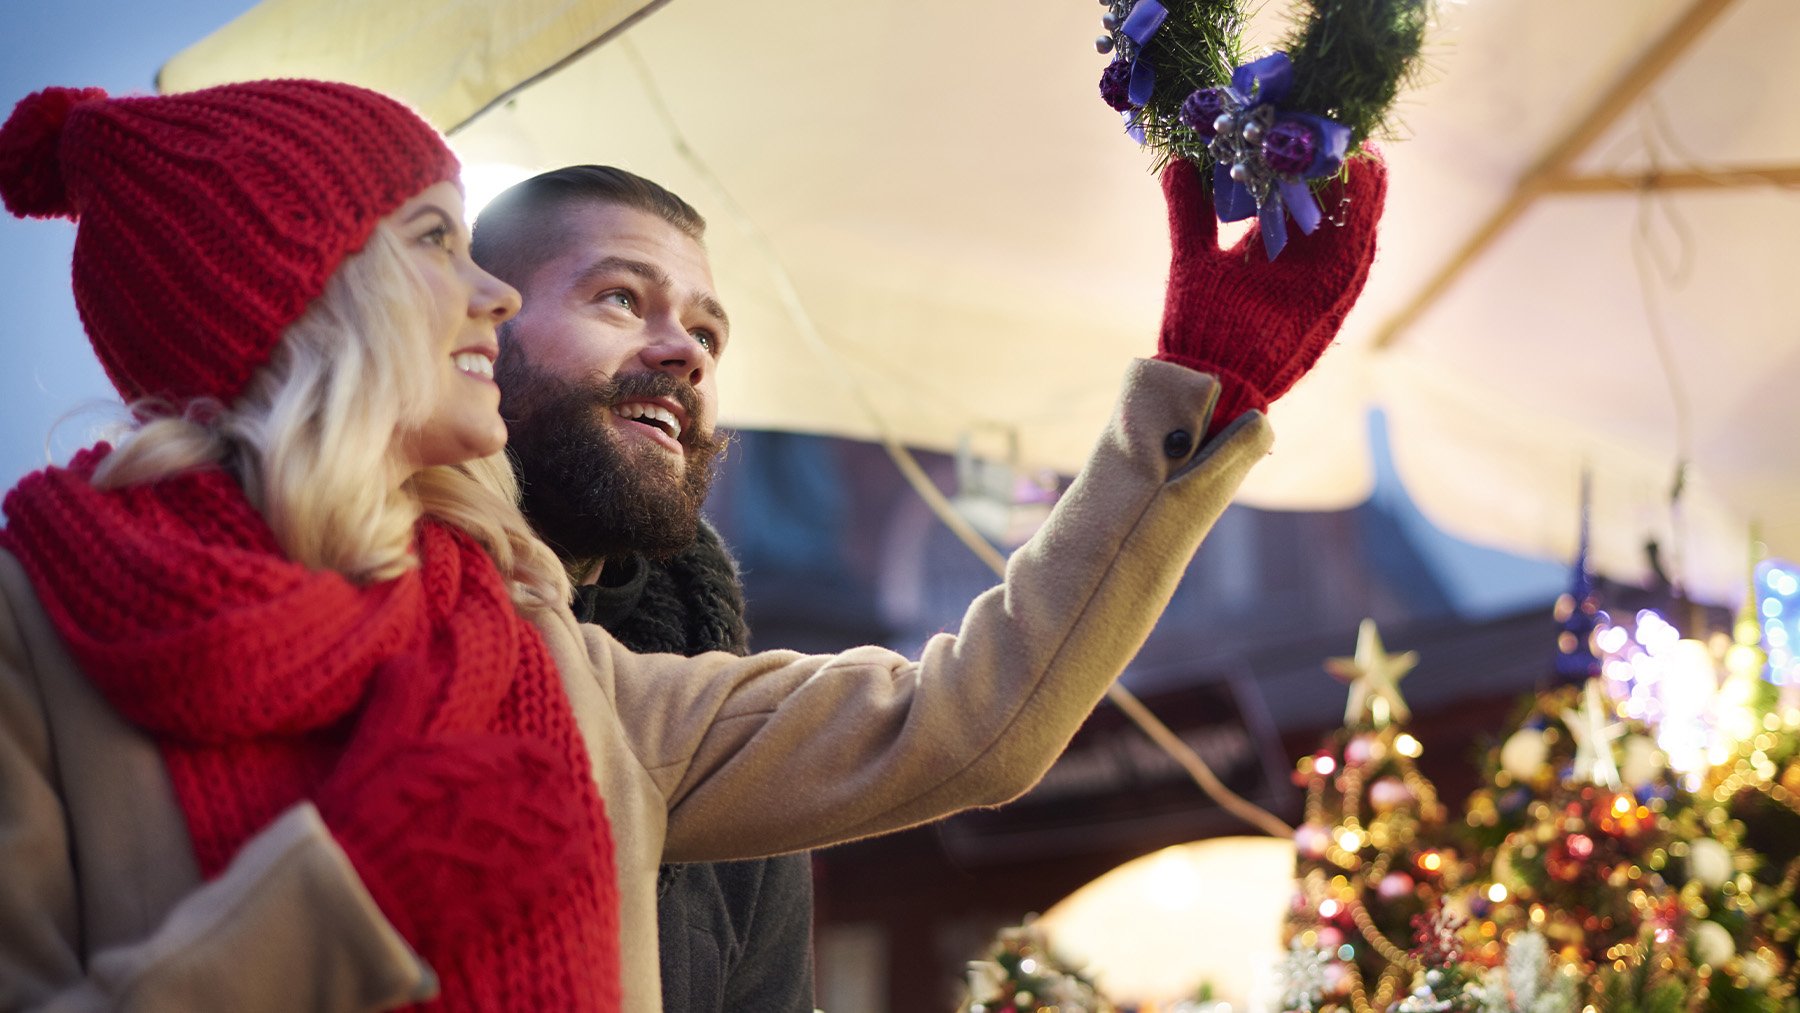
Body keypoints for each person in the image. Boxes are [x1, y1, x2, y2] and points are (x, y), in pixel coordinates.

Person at [0, 79, 1383, 1012]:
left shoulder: (544, 655)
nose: (478, 287)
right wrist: (350, 900)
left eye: (708, 330)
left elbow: (967, 723)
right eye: (435, 238)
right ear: (309, 287)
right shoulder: (33, 634)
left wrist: (1205, 387)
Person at [471, 166, 814, 1013]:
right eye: (621, 298)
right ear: (478, 331)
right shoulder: (349, 610)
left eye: (708, 333)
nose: (687, 353)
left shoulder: (724, 727)